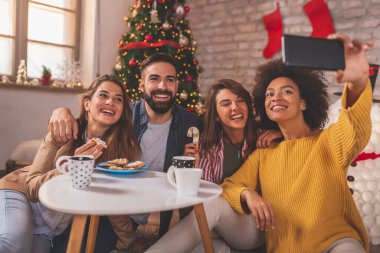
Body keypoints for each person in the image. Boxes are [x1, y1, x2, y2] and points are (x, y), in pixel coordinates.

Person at [146, 34, 373, 253]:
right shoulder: (264, 154)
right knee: (213, 204)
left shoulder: (328, 142)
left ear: (304, 102)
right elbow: (229, 186)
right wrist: (247, 194)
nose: (275, 98)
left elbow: (354, 126)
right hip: (284, 244)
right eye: (269, 94)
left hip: (335, 241)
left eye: (286, 91)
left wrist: (358, 82)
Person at [47, 53, 203, 250]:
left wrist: (195, 165)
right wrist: (61, 111)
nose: (162, 86)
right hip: (110, 203)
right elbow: (89, 120)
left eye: (169, 80)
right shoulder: (123, 115)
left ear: (176, 85)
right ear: (141, 85)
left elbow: (197, 173)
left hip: (146, 209)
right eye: (154, 79)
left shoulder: (191, 124)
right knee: (70, 245)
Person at [0, 74, 142, 253]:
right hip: (20, 195)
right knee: (14, 244)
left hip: (49, 227)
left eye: (118, 99)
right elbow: (32, 188)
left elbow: (111, 202)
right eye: (103, 95)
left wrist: (128, 241)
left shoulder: (118, 153)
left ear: (122, 110)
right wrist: (71, 167)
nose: (111, 102)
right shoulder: (63, 131)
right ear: (87, 104)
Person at [184, 79, 281, 185]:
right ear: (216, 115)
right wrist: (193, 169)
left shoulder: (265, 137)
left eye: (240, 100)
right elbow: (206, 191)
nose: (235, 107)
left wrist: (281, 135)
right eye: (226, 104)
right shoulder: (206, 146)